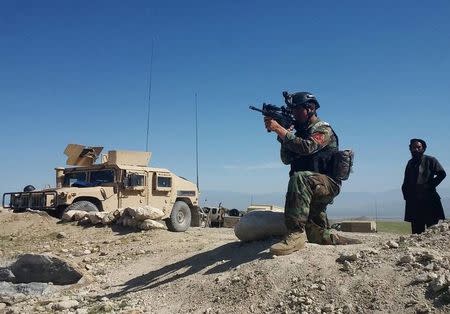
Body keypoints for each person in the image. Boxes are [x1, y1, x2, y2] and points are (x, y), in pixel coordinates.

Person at [264, 91, 360, 256]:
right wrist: (283, 135)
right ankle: (350, 243)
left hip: (327, 184)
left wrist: (280, 130)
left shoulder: (322, 129)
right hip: (309, 186)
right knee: (316, 234)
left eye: (296, 109)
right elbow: (286, 159)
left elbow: (307, 147)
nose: (293, 113)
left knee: (299, 177)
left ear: (310, 108)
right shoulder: (299, 133)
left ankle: (295, 235)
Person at [402, 138, 446, 234]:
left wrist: (430, 185)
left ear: (423, 149)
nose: (416, 150)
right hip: (414, 203)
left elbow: (442, 174)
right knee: (417, 233)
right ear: (410, 149)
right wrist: (406, 195)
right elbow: (406, 181)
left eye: (418, 147)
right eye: (414, 147)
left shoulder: (431, 160)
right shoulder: (410, 163)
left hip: (430, 201)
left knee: (432, 231)